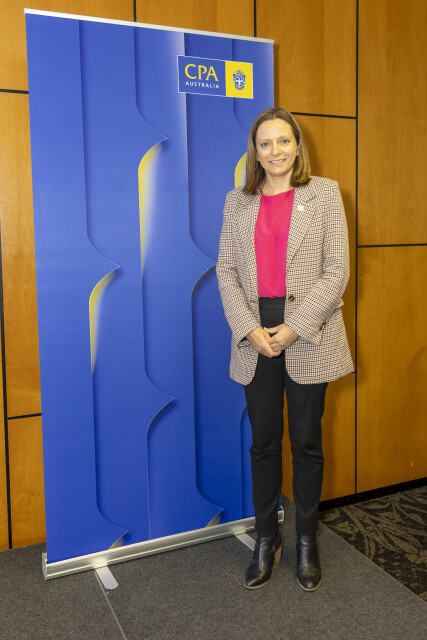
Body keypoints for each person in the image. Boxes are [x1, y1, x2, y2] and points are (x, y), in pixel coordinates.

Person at [216, 107, 354, 591]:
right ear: (255, 152)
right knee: (264, 443)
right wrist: (249, 328)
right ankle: (266, 538)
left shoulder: (325, 193)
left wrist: (294, 326)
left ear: (297, 145)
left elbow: (337, 270)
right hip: (255, 332)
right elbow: (226, 271)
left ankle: (306, 541)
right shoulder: (237, 202)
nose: (275, 151)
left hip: (309, 331)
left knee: (307, 441)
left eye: (283, 141)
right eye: (265, 143)